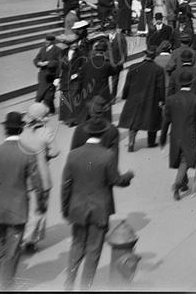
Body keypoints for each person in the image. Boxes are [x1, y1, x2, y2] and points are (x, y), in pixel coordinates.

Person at [61, 116, 134, 290]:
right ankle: (85, 288)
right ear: (102, 134)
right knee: (93, 251)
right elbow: (115, 179)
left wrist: (66, 209)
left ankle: (68, 283)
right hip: (99, 211)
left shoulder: (73, 155)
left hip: (77, 209)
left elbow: (65, 185)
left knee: (77, 245)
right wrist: (128, 177)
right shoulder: (107, 155)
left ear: (87, 133)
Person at [0, 111, 45, 290]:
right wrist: (40, 204)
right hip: (18, 210)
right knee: (12, 249)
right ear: (20, 130)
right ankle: (6, 285)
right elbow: (37, 183)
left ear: (5, 130)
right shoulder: (28, 154)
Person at [160, 69, 196, 201]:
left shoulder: (170, 100)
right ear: (191, 83)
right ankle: (177, 184)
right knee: (186, 159)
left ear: (179, 83)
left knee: (180, 158)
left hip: (175, 133)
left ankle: (184, 183)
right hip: (189, 133)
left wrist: (163, 137)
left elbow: (166, 120)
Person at [19, 102, 57, 252]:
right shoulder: (46, 132)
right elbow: (55, 151)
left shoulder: (22, 131)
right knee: (40, 208)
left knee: (27, 208)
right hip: (42, 176)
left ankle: (23, 234)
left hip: (26, 175)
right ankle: (30, 239)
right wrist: (45, 152)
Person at [118, 46, 165, 152]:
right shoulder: (158, 70)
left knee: (133, 122)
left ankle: (131, 142)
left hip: (134, 98)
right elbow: (160, 87)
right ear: (154, 57)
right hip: (151, 98)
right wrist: (162, 100)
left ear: (145, 55)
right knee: (152, 120)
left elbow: (127, 84)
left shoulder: (133, 67)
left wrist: (125, 95)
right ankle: (151, 142)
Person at [33, 35, 62, 114]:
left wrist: (48, 63)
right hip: (42, 75)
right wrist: (38, 63)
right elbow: (36, 59)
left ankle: (42, 110)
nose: (46, 42)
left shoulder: (58, 50)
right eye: (46, 40)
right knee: (40, 93)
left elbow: (59, 63)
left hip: (52, 75)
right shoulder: (42, 49)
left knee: (49, 94)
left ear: (53, 41)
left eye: (48, 41)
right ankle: (47, 109)